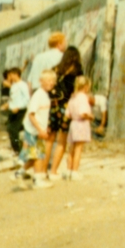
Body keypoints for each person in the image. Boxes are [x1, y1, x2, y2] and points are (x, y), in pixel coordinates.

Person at [46, 45, 83, 178]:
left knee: (49, 140)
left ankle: (43, 170)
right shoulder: (77, 72)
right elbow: (77, 91)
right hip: (66, 108)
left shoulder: (55, 69)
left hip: (53, 107)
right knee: (62, 141)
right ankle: (53, 171)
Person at [21, 69, 54, 188]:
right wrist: (40, 129)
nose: (51, 83)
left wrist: (46, 127)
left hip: (39, 129)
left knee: (38, 154)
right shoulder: (38, 95)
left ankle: (24, 174)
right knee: (38, 155)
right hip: (33, 130)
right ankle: (37, 180)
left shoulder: (45, 95)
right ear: (41, 81)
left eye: (53, 81)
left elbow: (43, 114)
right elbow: (31, 114)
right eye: (48, 80)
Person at [63, 76, 94, 180]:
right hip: (81, 123)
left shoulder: (73, 97)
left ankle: (68, 170)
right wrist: (90, 116)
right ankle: (75, 171)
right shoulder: (83, 98)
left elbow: (67, 114)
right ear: (85, 86)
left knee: (71, 148)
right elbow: (83, 113)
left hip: (73, 123)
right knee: (78, 149)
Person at [1, 68, 30, 162]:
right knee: (11, 129)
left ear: (16, 74)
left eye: (11, 75)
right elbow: (13, 98)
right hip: (12, 110)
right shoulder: (13, 86)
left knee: (14, 129)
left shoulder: (23, 85)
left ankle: (19, 150)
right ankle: (17, 149)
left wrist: (18, 107)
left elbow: (26, 99)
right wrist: (7, 104)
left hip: (20, 110)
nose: (9, 77)